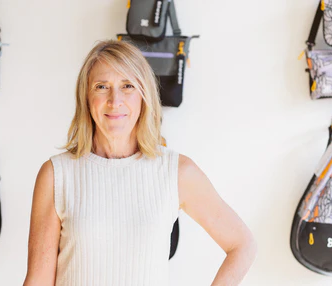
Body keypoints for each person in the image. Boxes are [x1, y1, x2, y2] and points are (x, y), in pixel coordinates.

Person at [23, 40, 257, 286]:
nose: (115, 100)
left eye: (128, 86)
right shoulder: (56, 175)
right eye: (102, 86)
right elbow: (38, 279)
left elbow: (242, 244)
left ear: (144, 95)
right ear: (86, 96)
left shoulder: (176, 172)